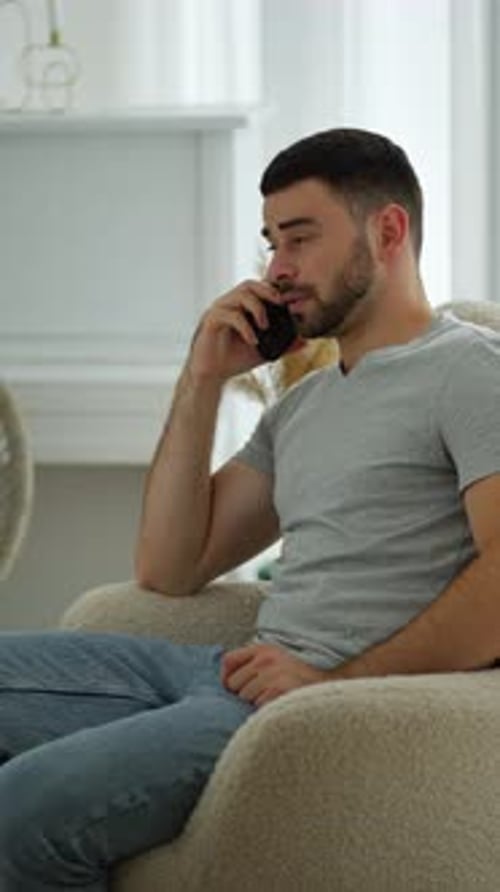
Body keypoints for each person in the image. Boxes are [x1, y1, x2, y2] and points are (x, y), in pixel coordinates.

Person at [1, 127, 500, 890]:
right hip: (225, 675)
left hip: (302, 707)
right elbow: (170, 567)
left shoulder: (469, 372)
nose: (278, 270)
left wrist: (334, 686)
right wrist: (201, 379)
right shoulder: (305, 407)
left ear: (389, 230)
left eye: (300, 239)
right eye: (271, 243)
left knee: (20, 813)